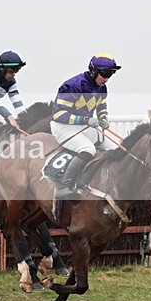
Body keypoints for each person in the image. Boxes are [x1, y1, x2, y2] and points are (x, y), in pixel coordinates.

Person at [51, 53, 121, 199]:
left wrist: (103, 117)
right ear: (94, 71)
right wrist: (85, 119)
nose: (107, 79)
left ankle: (95, 183)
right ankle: (65, 186)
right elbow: (58, 115)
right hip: (63, 127)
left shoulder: (102, 87)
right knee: (88, 149)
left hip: (83, 127)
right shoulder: (72, 86)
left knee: (115, 149)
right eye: (105, 74)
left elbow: (101, 104)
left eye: (111, 75)